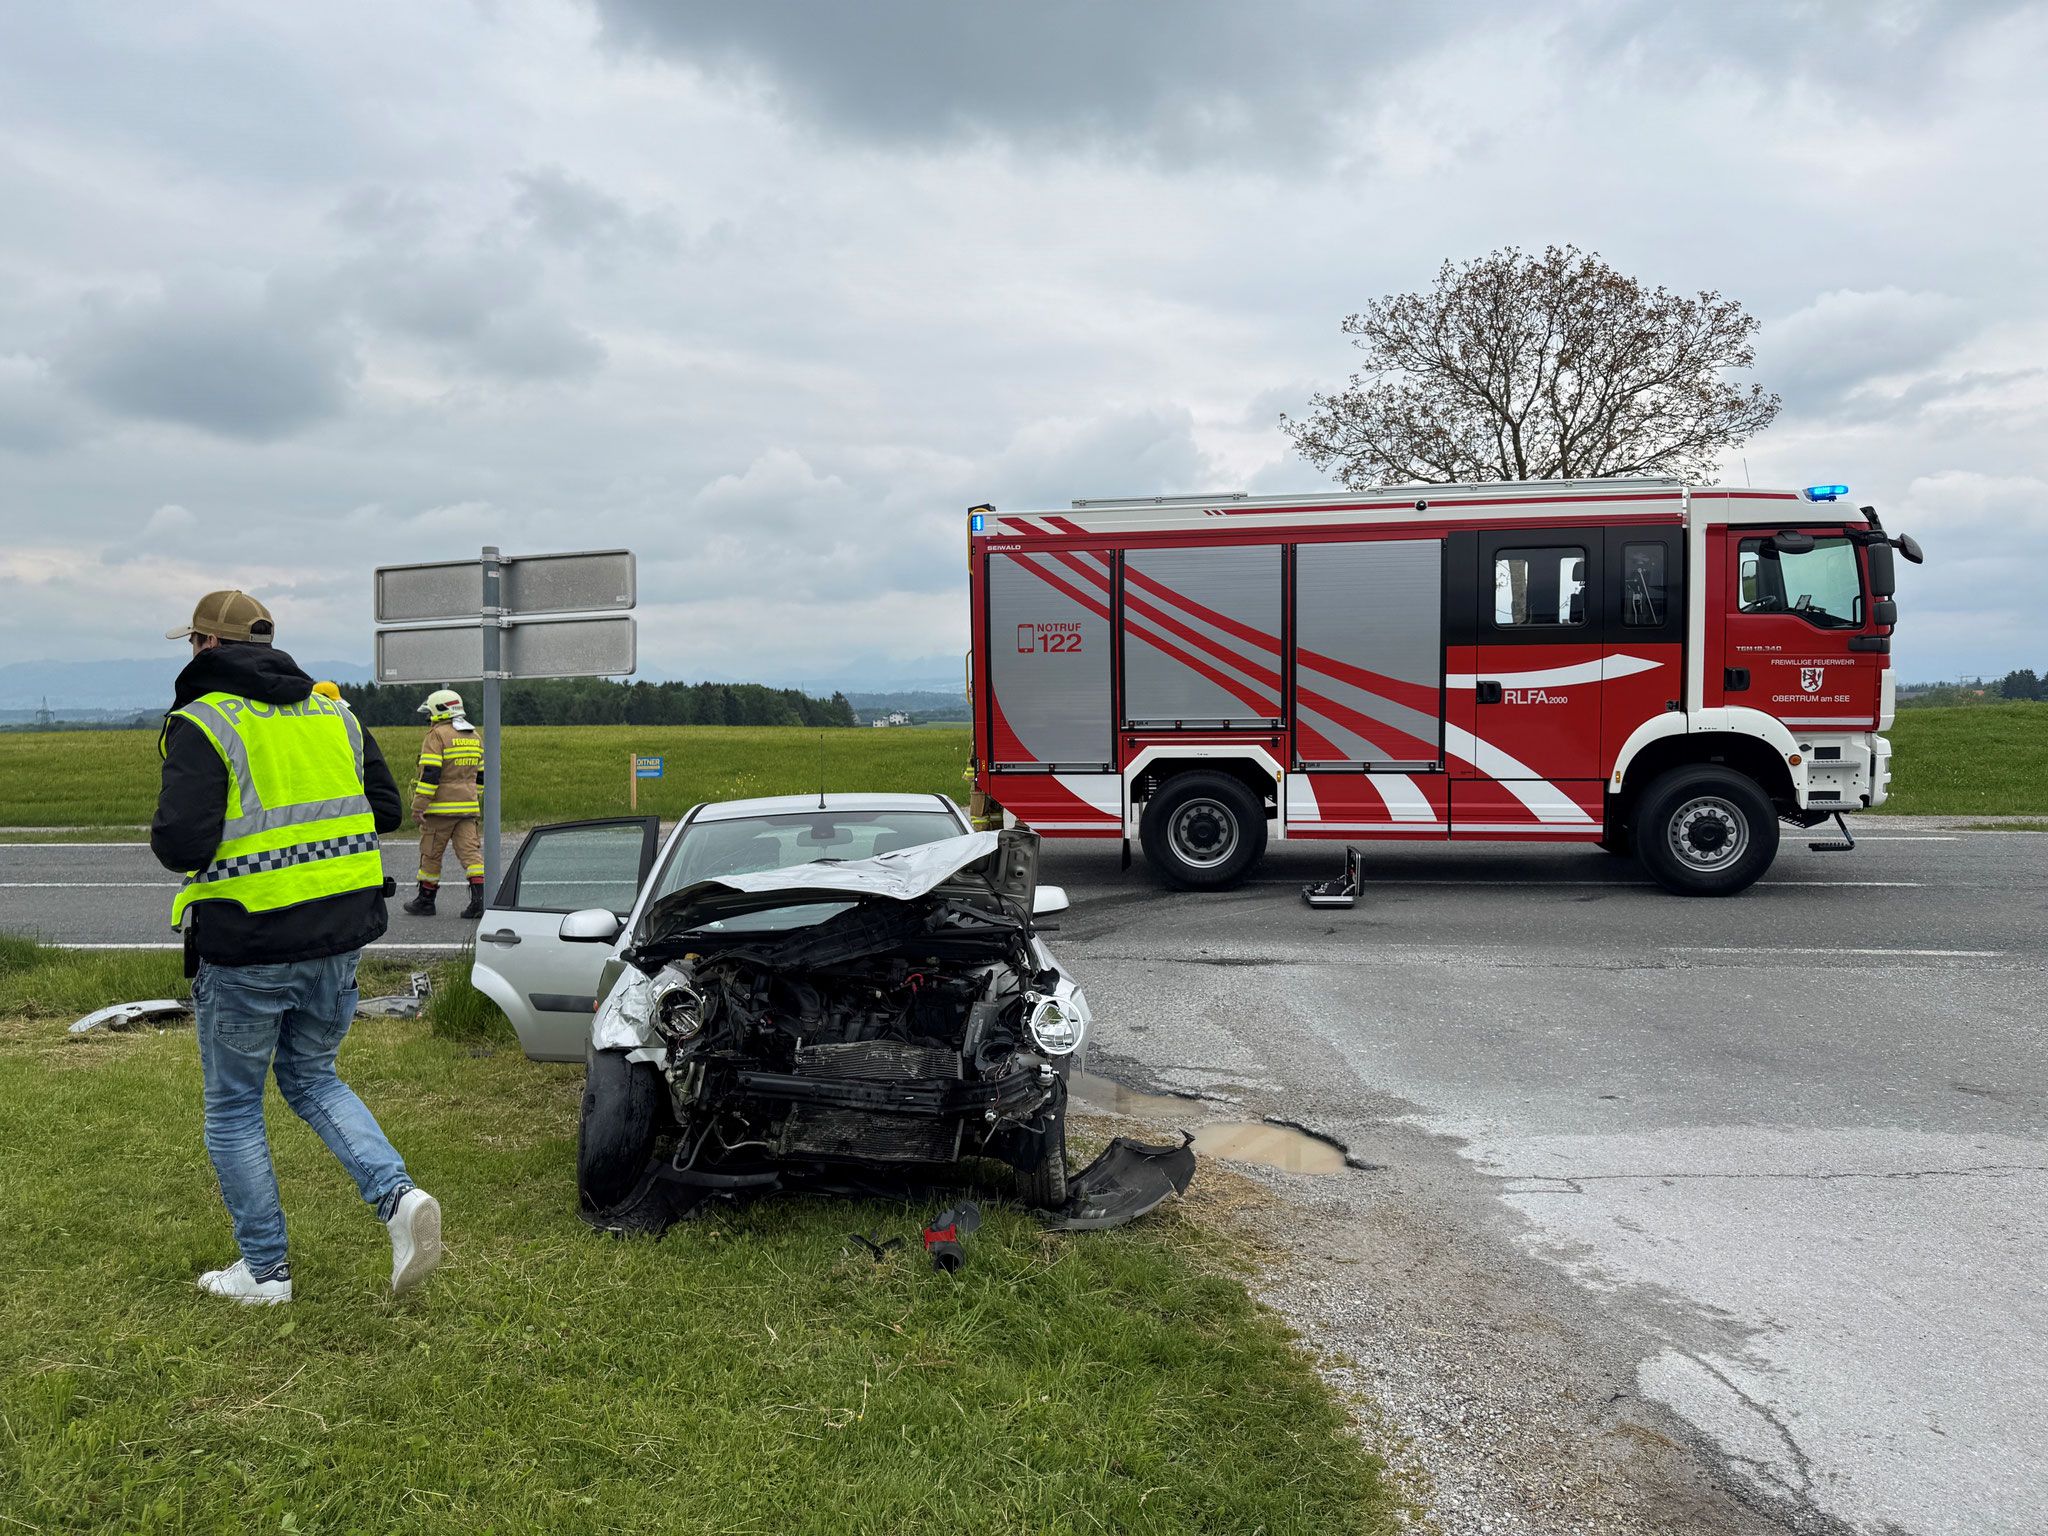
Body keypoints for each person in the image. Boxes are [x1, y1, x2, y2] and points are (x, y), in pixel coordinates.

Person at [152, 589, 442, 1304]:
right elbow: (383, 809)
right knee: (314, 1078)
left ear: (206, 646)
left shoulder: (204, 721)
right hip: (339, 938)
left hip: (248, 940)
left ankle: (265, 1272)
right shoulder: (332, 711)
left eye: (192, 642)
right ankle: (399, 1200)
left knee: (233, 1107)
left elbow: (181, 843)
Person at [403, 687, 486, 919]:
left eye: (429, 713)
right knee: (471, 856)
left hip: (439, 811)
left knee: (430, 854)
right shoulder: (473, 735)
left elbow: (430, 774)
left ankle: (425, 901)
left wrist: (419, 806)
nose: (428, 718)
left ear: (439, 711)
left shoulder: (437, 735)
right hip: (468, 809)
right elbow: (480, 776)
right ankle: (480, 902)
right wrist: (472, 797)